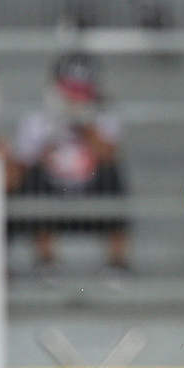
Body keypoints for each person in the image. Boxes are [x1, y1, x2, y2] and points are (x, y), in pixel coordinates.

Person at [11, 52, 130, 273]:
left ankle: (118, 262)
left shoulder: (104, 118)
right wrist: (52, 134)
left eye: (81, 90)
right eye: (70, 89)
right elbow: (20, 170)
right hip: (53, 193)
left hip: (89, 192)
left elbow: (109, 155)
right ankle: (46, 260)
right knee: (34, 180)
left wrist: (85, 124)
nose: (75, 96)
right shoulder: (36, 121)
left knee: (112, 175)